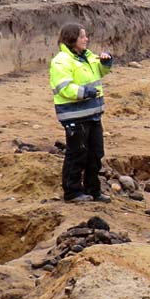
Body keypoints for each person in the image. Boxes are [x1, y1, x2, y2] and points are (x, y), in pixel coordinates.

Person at [49, 23, 114, 203]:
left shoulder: (87, 57)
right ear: (72, 39)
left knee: (95, 153)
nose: (86, 39)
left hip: (92, 115)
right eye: (82, 36)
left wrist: (106, 62)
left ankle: (93, 190)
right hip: (74, 116)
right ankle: (72, 192)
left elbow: (100, 72)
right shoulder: (61, 61)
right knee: (77, 154)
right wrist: (85, 93)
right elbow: (64, 88)